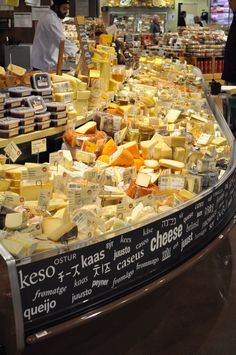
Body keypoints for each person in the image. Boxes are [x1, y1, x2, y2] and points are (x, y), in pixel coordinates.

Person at [31, 0, 78, 71]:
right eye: (64, 9)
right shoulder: (50, 19)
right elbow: (61, 41)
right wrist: (78, 51)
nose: (66, 12)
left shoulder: (53, 17)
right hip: (44, 64)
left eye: (67, 9)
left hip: (46, 62)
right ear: (56, 7)